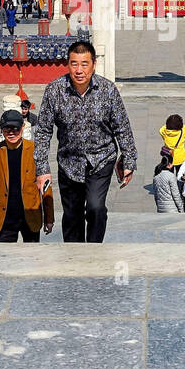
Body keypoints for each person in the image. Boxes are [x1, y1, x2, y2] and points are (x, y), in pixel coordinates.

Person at [33, 40, 137, 242]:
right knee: (72, 216)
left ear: (94, 64)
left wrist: (129, 161)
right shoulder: (55, 91)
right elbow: (43, 131)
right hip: (68, 162)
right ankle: (75, 260)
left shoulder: (108, 91)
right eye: (74, 64)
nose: (79, 70)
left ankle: (94, 250)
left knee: (95, 207)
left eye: (84, 64)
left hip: (101, 160)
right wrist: (42, 168)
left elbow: (122, 127)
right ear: (68, 64)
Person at [0, 109, 55, 242]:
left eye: (15, 129)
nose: (11, 133)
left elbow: (46, 186)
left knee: (32, 258)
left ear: (23, 127)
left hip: (30, 214)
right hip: (4, 217)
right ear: (1, 130)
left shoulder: (35, 150)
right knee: (5, 259)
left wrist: (49, 218)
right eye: (7, 129)